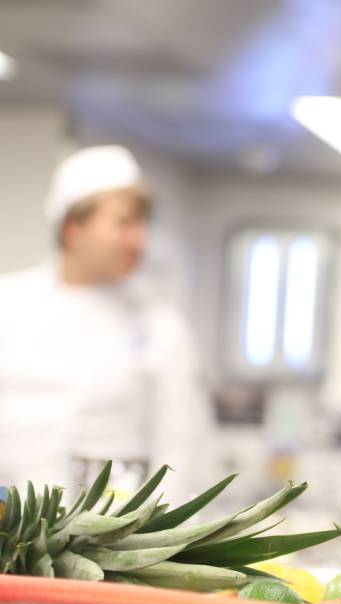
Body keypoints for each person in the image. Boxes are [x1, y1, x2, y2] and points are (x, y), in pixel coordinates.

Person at [0, 145, 211, 503]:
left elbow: (179, 448)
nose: (139, 240)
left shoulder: (160, 327)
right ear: (72, 229)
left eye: (144, 224)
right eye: (123, 223)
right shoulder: (9, 304)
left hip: (109, 542)